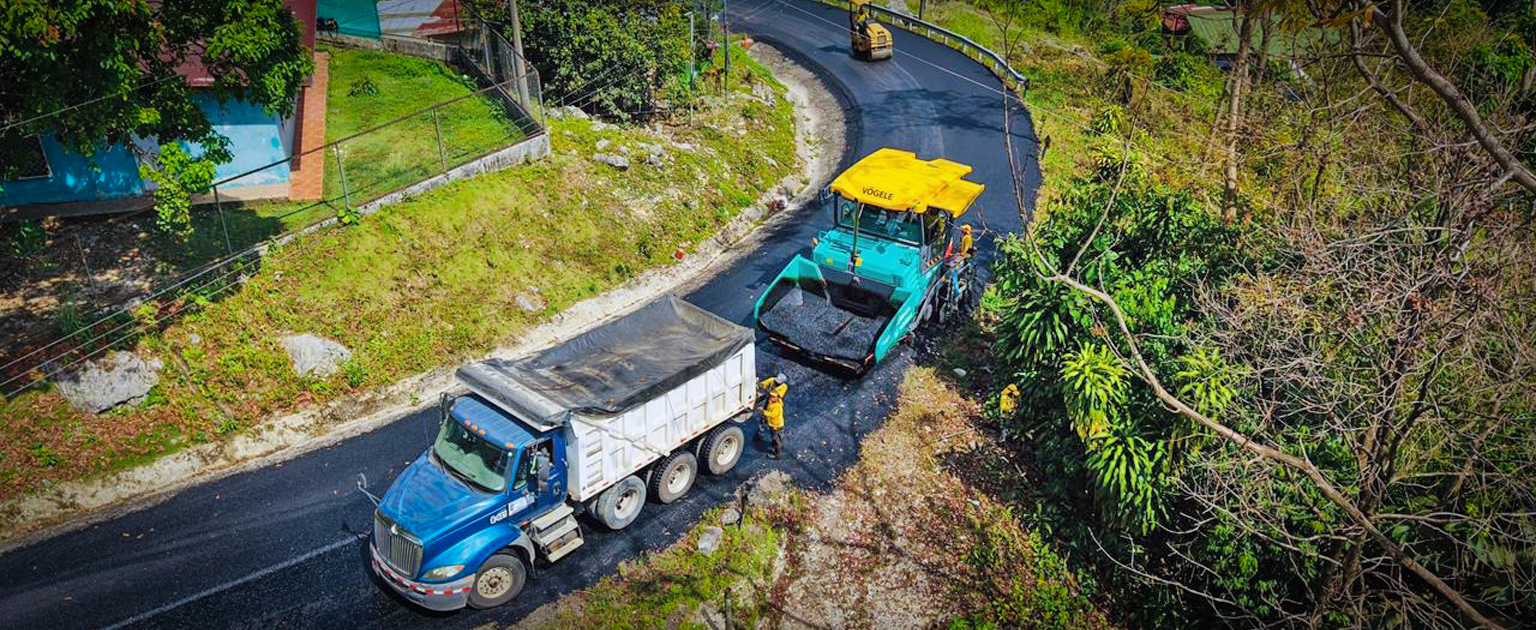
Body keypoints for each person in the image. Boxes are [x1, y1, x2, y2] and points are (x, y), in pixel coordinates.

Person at [757, 373, 789, 459]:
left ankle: (777, 454)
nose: (776, 382)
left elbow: (772, 414)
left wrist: (763, 411)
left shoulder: (777, 405)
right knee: (776, 437)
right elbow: (763, 384)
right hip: (774, 425)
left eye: (772, 397)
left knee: (776, 439)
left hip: (776, 426)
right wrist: (759, 385)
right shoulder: (772, 381)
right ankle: (778, 442)